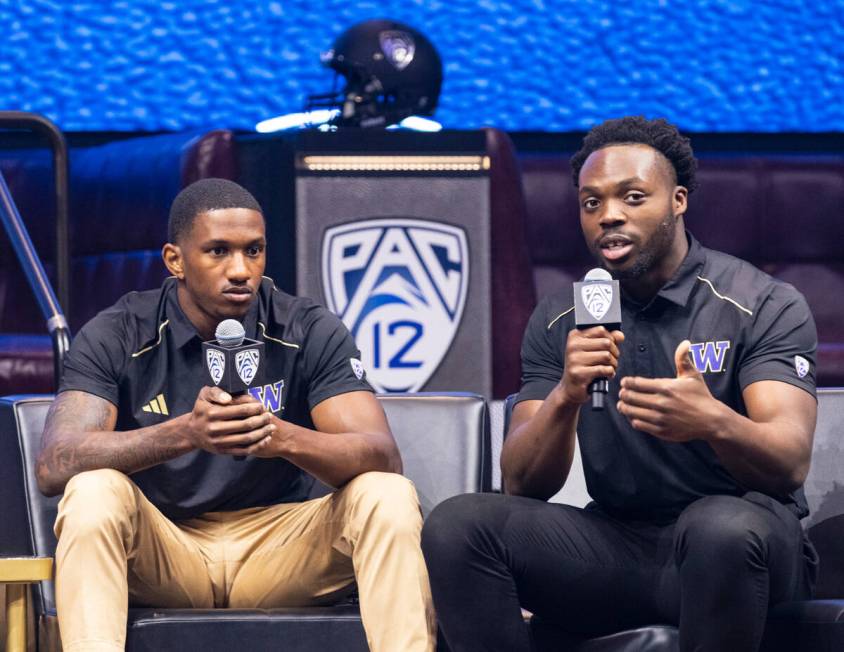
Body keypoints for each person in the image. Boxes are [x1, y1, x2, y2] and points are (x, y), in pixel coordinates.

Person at [421, 116, 819, 652]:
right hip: (622, 544)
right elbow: (523, 483)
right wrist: (566, 394)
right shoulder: (565, 316)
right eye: (591, 203)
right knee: (458, 526)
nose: (609, 216)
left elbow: (789, 461)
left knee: (716, 526)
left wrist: (713, 422)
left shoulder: (759, 302)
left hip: (747, 543)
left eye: (633, 197)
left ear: (678, 201)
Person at [36, 178, 436, 652]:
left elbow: (381, 456)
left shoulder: (305, 326)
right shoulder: (120, 331)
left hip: (283, 548)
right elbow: (56, 463)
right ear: (175, 260)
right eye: (218, 251)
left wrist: (279, 436)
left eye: (254, 251)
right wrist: (185, 433)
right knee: (91, 491)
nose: (241, 270)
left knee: (385, 494)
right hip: (167, 547)